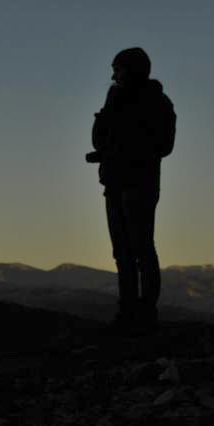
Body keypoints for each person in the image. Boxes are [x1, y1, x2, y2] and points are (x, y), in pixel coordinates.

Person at [86, 47, 176, 333]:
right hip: (114, 182)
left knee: (140, 249)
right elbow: (103, 136)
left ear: (132, 69)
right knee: (123, 252)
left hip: (139, 184)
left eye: (118, 69)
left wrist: (122, 149)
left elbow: (163, 145)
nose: (113, 75)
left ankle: (145, 314)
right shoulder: (114, 99)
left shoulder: (156, 102)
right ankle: (128, 313)